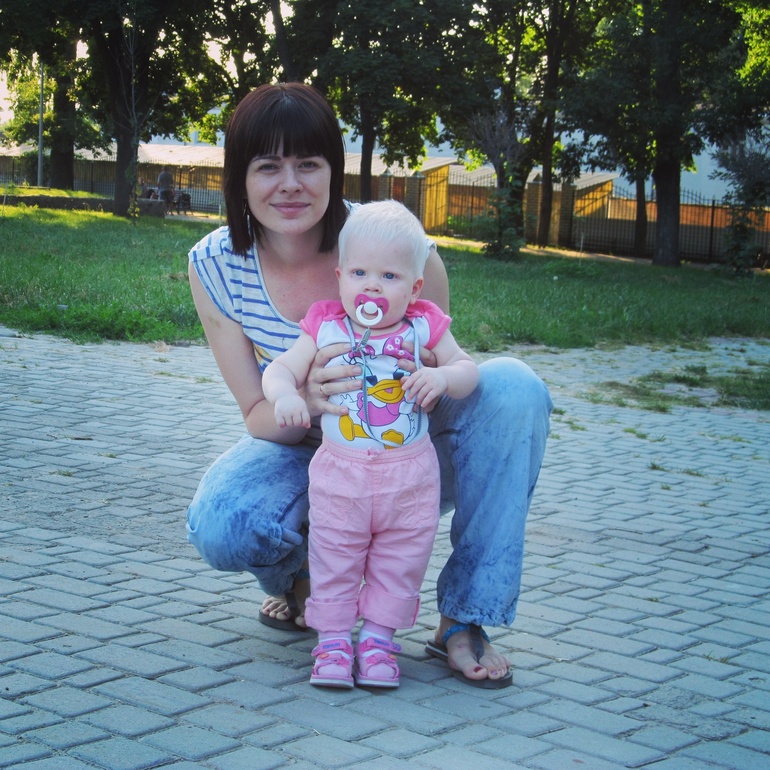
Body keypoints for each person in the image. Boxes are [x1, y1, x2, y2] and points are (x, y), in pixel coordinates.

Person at [186, 82, 553, 689]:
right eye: (267, 166)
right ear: (239, 178)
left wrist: (434, 383)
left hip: (403, 453)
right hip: (308, 449)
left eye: (308, 163)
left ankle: (463, 619)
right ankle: (301, 579)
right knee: (222, 521)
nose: (290, 184)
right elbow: (256, 411)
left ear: (334, 169)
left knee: (516, 387)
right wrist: (304, 399)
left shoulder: (397, 245)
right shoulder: (215, 264)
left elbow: (438, 363)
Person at [262, 200, 479, 688]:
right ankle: (333, 641)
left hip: (410, 478)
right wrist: (286, 397)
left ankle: (379, 641)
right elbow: (280, 369)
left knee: (401, 560)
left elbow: (467, 370)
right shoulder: (326, 324)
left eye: (389, 276)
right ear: (340, 277)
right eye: (360, 272)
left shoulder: (424, 325)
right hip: (342, 475)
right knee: (334, 554)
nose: (372, 286)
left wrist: (442, 377)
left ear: (415, 288)